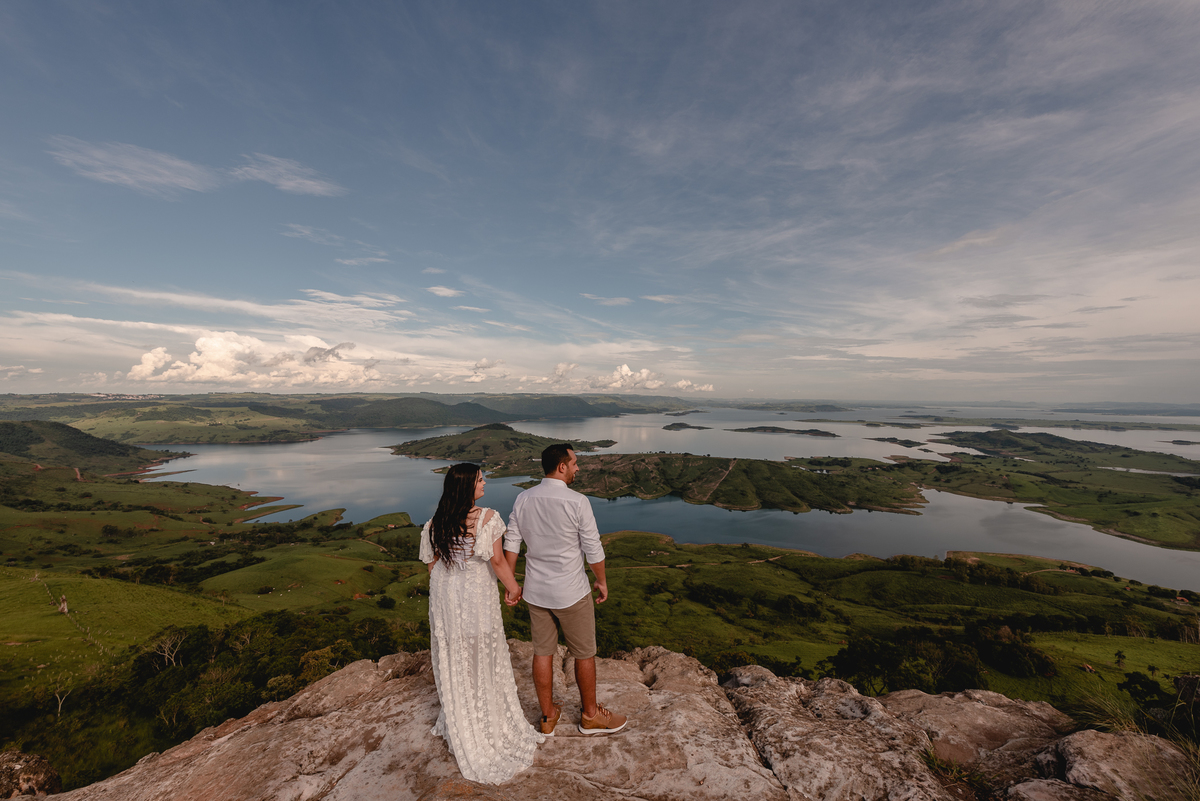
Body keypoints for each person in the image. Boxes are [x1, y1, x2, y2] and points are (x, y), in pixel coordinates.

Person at [420, 463, 545, 784]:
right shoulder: (487, 518)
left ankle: (461, 711)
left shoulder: (436, 522)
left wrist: (450, 586)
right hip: (475, 595)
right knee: (481, 652)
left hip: (446, 596)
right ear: (466, 487)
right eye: (479, 479)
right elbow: (499, 561)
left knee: (456, 653)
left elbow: (432, 566)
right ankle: (484, 711)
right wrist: (514, 588)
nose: (484, 482)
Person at [504, 443, 628, 736]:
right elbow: (593, 549)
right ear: (561, 466)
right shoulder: (577, 501)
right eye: (574, 463)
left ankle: (547, 717)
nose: (577, 468)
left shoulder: (523, 499)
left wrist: (511, 585)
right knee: (584, 654)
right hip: (571, 591)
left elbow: (511, 542)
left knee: (543, 653)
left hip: (536, 592)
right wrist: (602, 581)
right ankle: (590, 716)